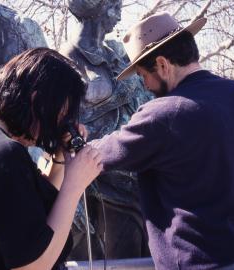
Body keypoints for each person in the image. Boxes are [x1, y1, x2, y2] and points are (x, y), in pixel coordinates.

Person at [91, 12, 234, 270]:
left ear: (162, 64)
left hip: (197, 262)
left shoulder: (163, 114)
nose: (145, 85)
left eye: (142, 76)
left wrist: (72, 144)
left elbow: (102, 154)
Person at [0, 48, 102, 270]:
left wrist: (60, 158)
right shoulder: (3, 155)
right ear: (36, 99)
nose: (56, 125)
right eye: (59, 114)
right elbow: (32, 266)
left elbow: (31, 216)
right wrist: (75, 185)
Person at [60, 0, 151, 259]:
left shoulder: (116, 54)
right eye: (114, 7)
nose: (119, 15)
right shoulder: (68, 58)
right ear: (96, 10)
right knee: (121, 259)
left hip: (136, 173)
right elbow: (64, 121)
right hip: (101, 183)